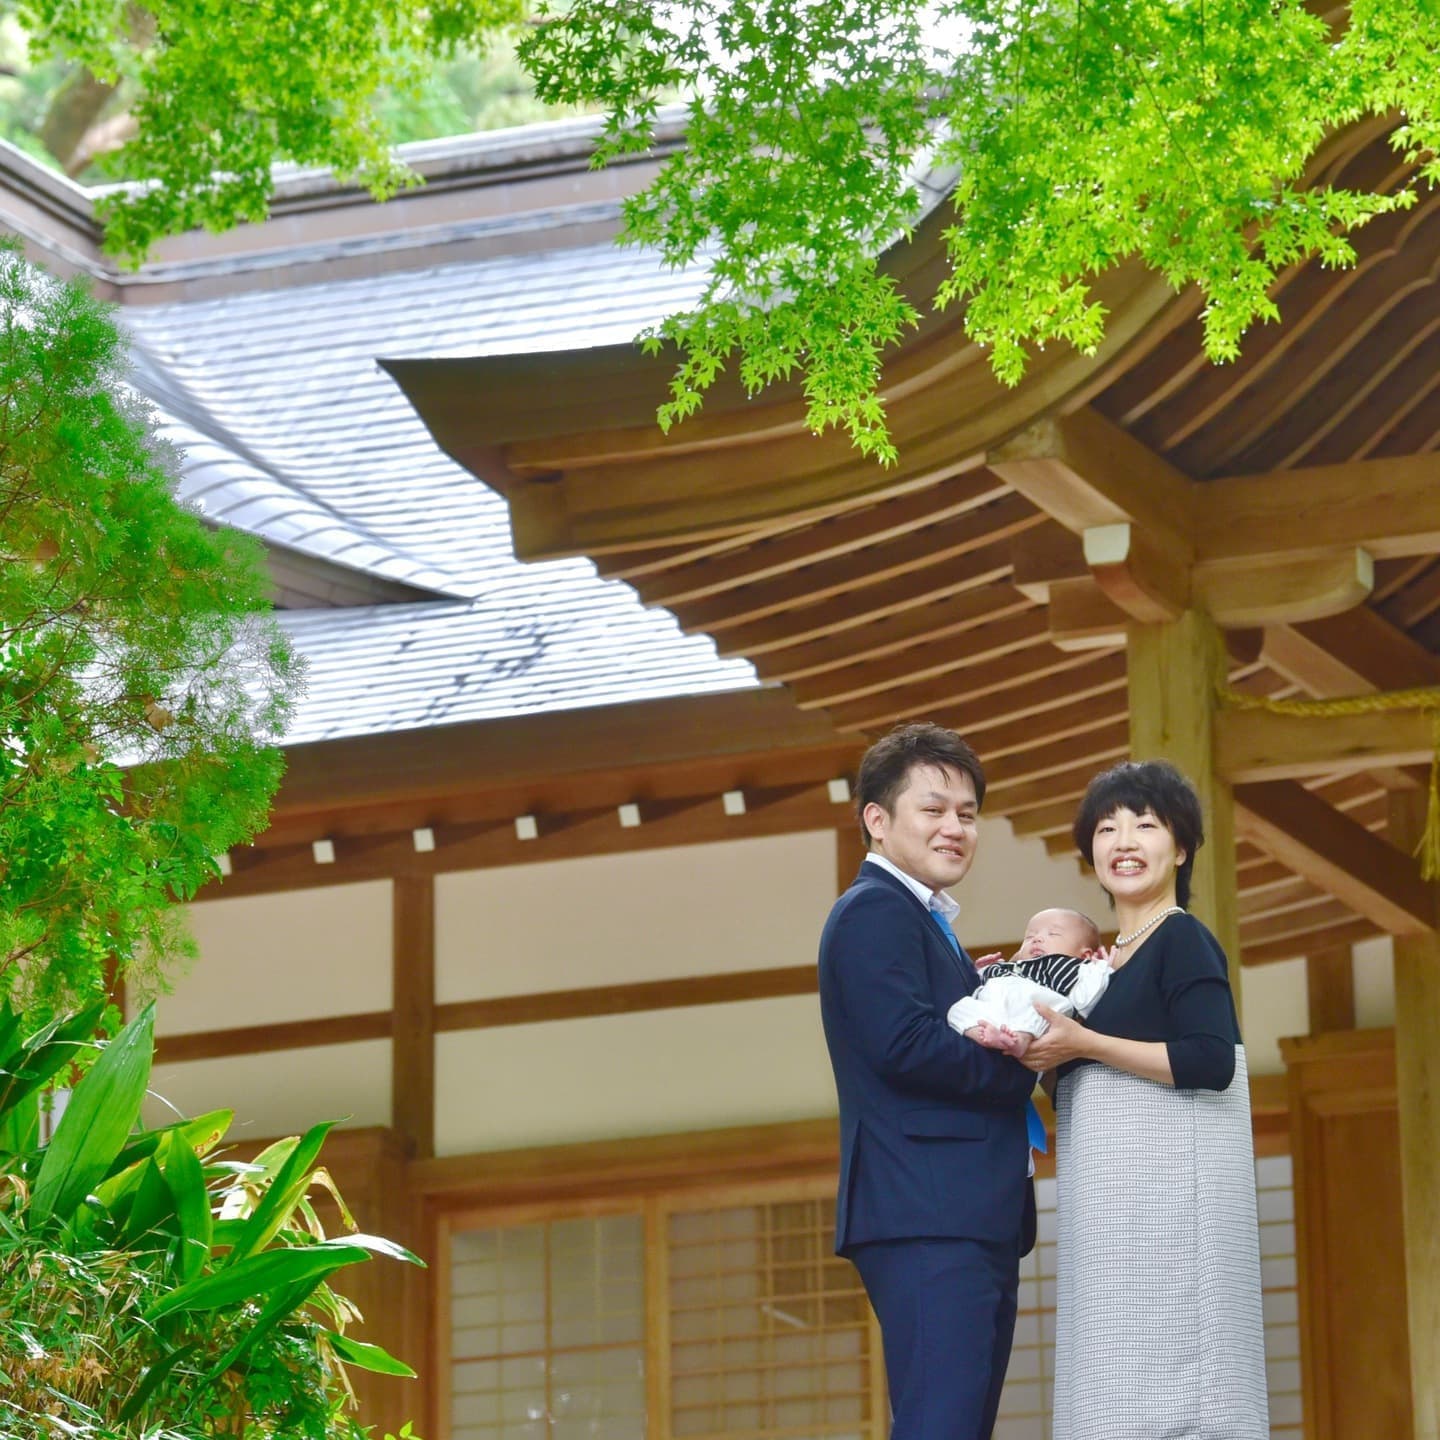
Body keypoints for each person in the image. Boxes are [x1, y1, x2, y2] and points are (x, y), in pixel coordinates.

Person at [1022, 760, 1269, 1440]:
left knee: (1177, 1399)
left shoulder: (1180, 937)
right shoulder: (1102, 965)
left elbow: (1210, 1059)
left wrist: (1085, 1044)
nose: (1124, 840)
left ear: (1181, 847)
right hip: (1113, 1224)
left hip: (1169, 1222)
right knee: (1112, 1394)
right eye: (1107, 828)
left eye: (1146, 825)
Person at [817, 722, 1040, 1440]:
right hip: (927, 1211)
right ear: (877, 821)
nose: (956, 828)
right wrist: (1019, 1059)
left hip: (954, 1212)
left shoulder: (918, 918)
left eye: (968, 814)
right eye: (934, 809)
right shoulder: (876, 910)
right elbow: (905, 1044)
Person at [947, 907, 1108, 1058]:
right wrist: (978, 971)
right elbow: (978, 986)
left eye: (1053, 934)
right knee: (958, 1008)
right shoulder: (1008, 967)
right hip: (995, 1011)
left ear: (1085, 955)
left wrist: (1100, 968)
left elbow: (1085, 1000)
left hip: (1036, 1013)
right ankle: (982, 1033)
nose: (1037, 939)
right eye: (1030, 936)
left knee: (1041, 1004)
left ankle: (1020, 1039)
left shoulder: (1076, 967)